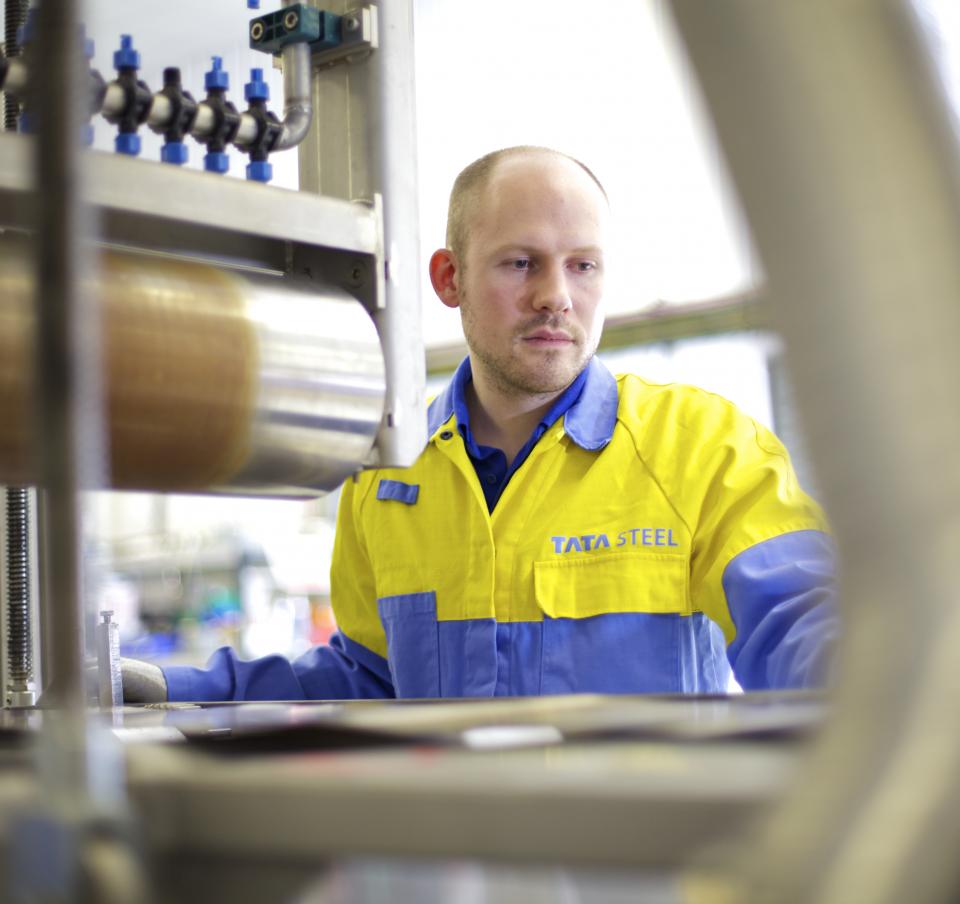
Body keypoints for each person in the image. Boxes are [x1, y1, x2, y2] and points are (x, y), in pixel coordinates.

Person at [125, 145, 837, 703]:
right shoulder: (389, 472)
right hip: (456, 846)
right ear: (449, 279)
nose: (556, 296)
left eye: (583, 266)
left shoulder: (701, 446)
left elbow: (802, 619)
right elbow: (367, 681)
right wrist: (172, 689)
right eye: (521, 263)